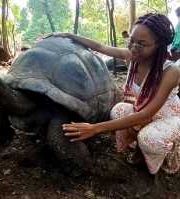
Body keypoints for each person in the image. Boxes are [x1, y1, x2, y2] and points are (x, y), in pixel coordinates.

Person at [56, 13, 180, 175]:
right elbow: (100, 47)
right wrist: (69, 35)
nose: (133, 47)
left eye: (141, 44)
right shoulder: (132, 56)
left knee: (150, 140)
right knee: (118, 111)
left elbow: (146, 114)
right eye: (132, 40)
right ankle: (140, 145)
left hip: (167, 117)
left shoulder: (171, 71)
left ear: (159, 45)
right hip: (143, 113)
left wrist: (94, 129)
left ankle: (167, 150)